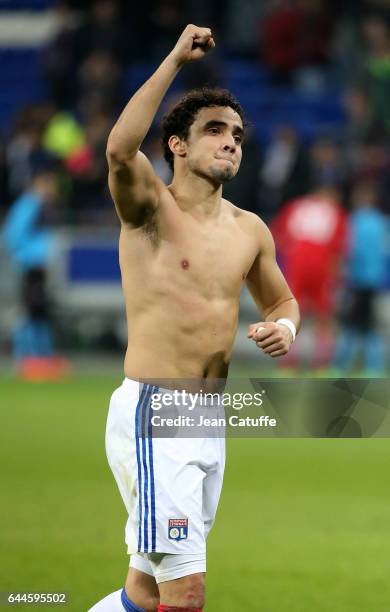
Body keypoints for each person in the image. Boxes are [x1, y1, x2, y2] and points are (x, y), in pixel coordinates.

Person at [90, 25, 300, 612]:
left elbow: (283, 303)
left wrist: (283, 329)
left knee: (145, 590)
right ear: (177, 145)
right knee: (186, 594)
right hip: (155, 415)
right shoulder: (149, 208)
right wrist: (176, 60)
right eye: (214, 130)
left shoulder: (249, 230)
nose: (231, 141)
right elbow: (117, 149)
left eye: (236, 133)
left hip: (208, 417)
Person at [332, 180, 388, 375]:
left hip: (358, 280)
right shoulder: (382, 222)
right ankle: (373, 366)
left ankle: (348, 366)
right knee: (365, 322)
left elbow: (347, 250)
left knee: (355, 323)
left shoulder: (354, 221)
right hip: (373, 281)